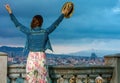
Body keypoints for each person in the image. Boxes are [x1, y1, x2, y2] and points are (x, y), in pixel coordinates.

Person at [5, 2, 73, 83]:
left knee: (31, 80)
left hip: (31, 57)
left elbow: (17, 25)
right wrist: (62, 14)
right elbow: (55, 24)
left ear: (33, 22)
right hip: (41, 57)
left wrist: (10, 13)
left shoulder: (29, 32)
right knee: (42, 80)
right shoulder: (45, 32)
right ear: (41, 22)